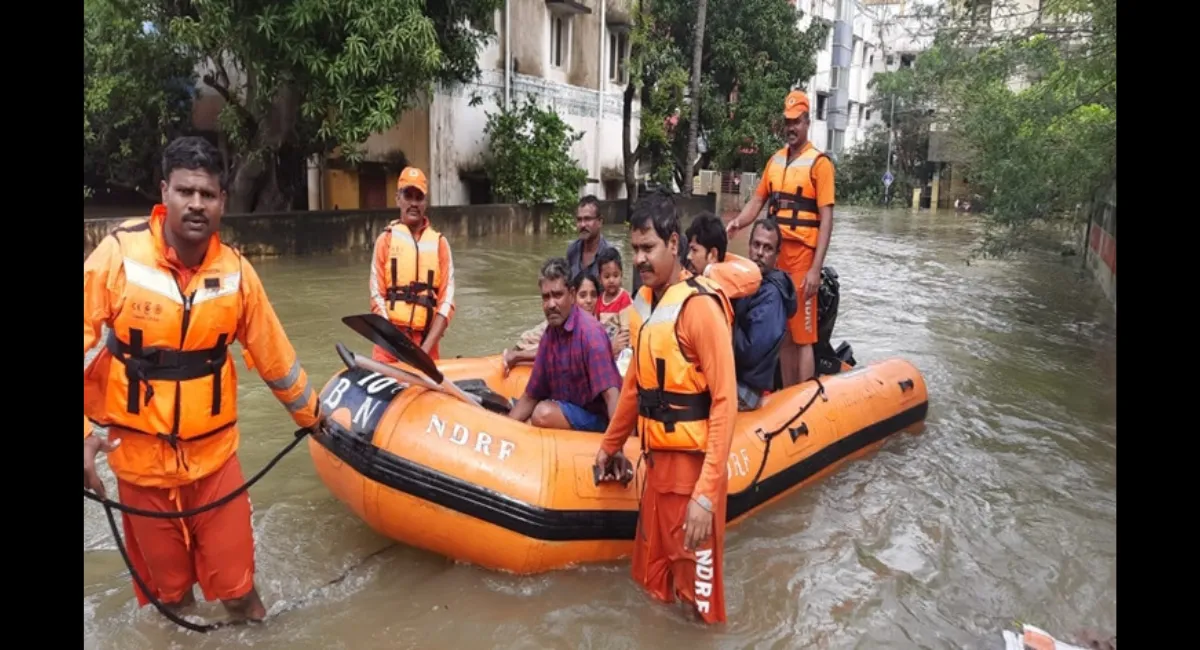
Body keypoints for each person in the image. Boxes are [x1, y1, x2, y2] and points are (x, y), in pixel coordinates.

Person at [82, 136, 324, 623]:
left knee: (242, 597)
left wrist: (317, 419)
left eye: (208, 195)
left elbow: (277, 360)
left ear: (222, 203)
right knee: (172, 602)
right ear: (164, 192)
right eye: (185, 191)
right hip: (139, 469)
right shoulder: (116, 258)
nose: (196, 204)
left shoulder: (237, 274)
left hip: (215, 466)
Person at [594, 190, 737, 624]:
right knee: (651, 588)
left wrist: (707, 498)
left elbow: (726, 403)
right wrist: (610, 446)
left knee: (700, 608)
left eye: (649, 248)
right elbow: (635, 388)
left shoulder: (699, 310)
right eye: (635, 248)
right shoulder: (645, 310)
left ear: (674, 245)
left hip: (693, 476)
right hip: (655, 473)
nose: (639, 259)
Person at [727, 89, 835, 386]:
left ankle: (806, 402)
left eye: (796, 122)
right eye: (787, 122)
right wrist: (738, 222)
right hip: (776, 261)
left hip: (802, 261)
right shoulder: (774, 161)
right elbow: (757, 201)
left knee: (802, 337)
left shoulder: (819, 164)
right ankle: (788, 398)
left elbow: (827, 219)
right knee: (785, 333)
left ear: (807, 121)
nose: (791, 128)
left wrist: (815, 269)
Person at [506, 258, 623, 432]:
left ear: (572, 294)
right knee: (532, 414)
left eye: (557, 295)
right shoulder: (549, 336)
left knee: (542, 413)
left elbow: (612, 395)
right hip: (570, 409)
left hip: (599, 420)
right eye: (546, 297)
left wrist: (615, 447)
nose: (551, 304)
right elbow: (531, 396)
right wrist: (503, 428)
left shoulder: (590, 334)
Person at [369, 166, 456, 362]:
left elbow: (447, 302)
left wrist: (423, 352)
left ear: (426, 202)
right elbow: (377, 296)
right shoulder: (385, 241)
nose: (414, 203)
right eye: (408, 196)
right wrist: (395, 342)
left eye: (419, 197)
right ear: (398, 199)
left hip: (427, 345)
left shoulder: (440, 244)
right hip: (388, 346)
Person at [734, 218, 797, 410]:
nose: (760, 253)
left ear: (777, 255)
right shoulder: (749, 281)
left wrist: (723, 321)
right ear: (749, 246)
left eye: (768, 248)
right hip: (734, 378)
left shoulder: (772, 296)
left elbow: (749, 353)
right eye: (756, 245)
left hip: (745, 390)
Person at [505, 272, 622, 364]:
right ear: (572, 297)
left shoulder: (603, 323)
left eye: (593, 295)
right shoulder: (560, 321)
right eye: (582, 295)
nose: (589, 301)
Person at [566, 195, 615, 280]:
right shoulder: (572, 251)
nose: (582, 225)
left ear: (600, 222)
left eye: (587, 219)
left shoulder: (610, 254)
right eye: (579, 220)